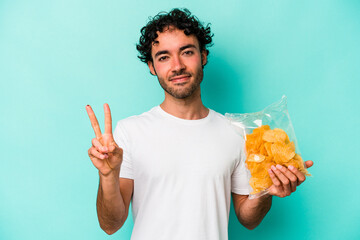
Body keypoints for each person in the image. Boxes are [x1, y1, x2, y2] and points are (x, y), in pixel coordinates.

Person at [86, 8, 313, 240]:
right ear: (152, 67)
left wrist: (266, 193)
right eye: (164, 57)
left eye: (186, 52)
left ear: (203, 56)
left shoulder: (234, 132)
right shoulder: (130, 131)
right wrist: (107, 176)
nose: (177, 66)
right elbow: (110, 225)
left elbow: (248, 219)